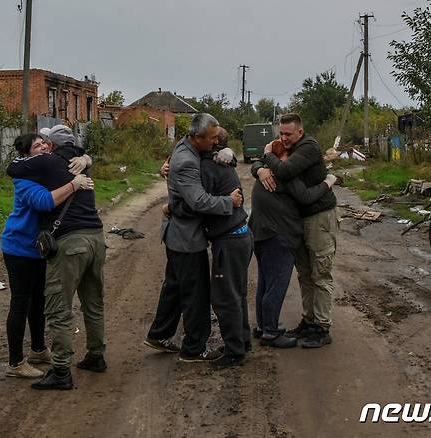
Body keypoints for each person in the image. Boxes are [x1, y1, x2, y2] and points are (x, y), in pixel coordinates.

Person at [7, 125, 106, 390]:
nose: (43, 147)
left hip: (71, 241)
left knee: (58, 307)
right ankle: (97, 356)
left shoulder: (48, 163)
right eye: (38, 144)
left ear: (52, 145)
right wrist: (85, 162)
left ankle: (61, 371)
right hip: (96, 237)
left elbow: (12, 168)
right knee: (93, 302)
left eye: (45, 143)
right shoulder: (82, 164)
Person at [144, 113, 243, 363]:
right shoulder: (187, 161)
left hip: (177, 235)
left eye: (217, 139)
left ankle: (159, 334)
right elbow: (199, 201)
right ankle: (194, 349)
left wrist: (227, 152)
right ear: (197, 137)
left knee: (175, 288)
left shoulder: (185, 145)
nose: (214, 142)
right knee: (195, 294)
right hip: (186, 239)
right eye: (211, 139)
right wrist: (228, 202)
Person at [168, 127, 252, 369]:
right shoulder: (222, 164)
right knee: (237, 294)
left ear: (210, 144)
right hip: (240, 236)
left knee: (224, 299)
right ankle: (242, 342)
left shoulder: (206, 168)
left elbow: (197, 204)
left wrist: (173, 208)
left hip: (229, 241)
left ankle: (235, 352)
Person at [254, 113, 338, 348]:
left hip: (319, 217)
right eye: (281, 134)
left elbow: (285, 171)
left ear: (300, 132)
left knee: (320, 273)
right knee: (304, 272)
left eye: (288, 134)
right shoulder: (286, 148)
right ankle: (309, 321)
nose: (284, 137)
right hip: (301, 220)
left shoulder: (309, 146)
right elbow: (267, 164)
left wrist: (268, 157)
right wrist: (260, 168)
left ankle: (322, 327)